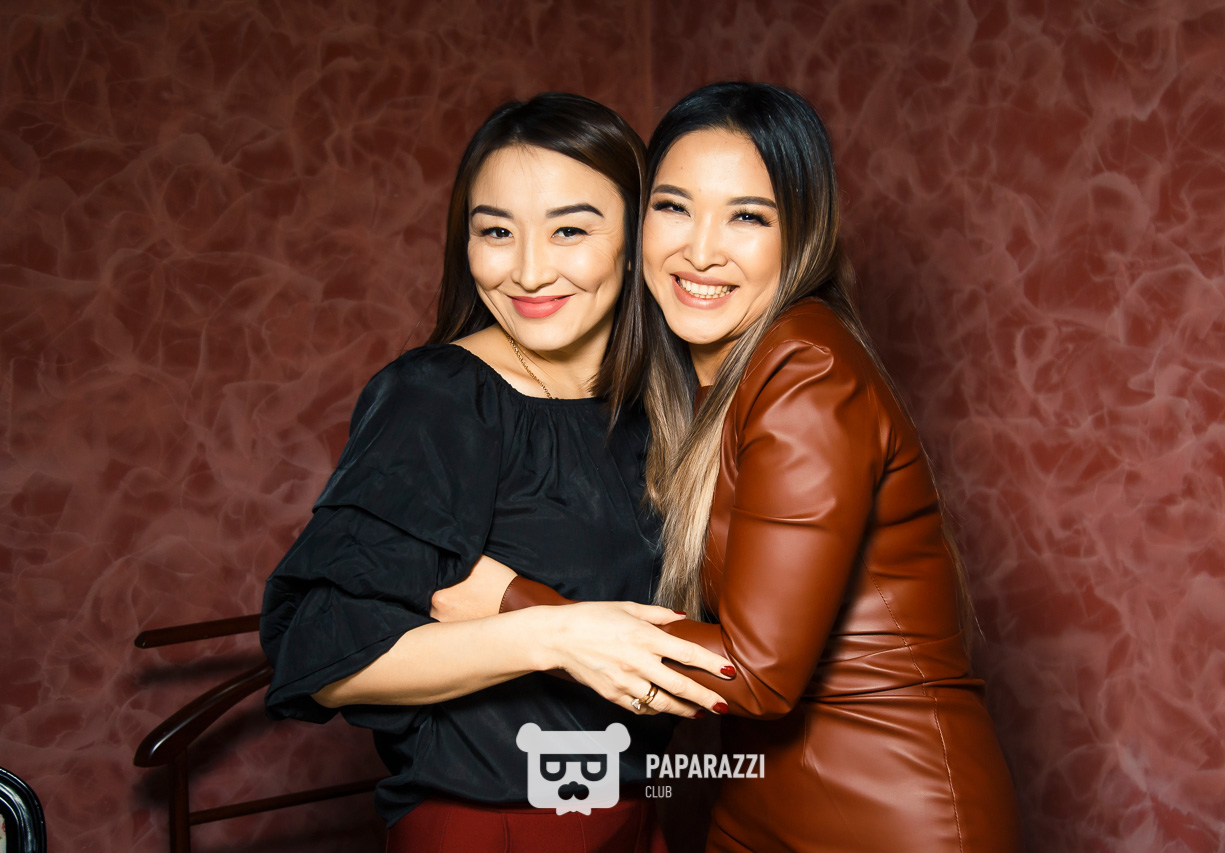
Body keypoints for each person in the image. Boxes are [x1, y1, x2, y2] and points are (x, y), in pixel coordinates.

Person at [449, 82, 1022, 852]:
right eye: (674, 207)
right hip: (758, 801)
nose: (700, 251)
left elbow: (757, 674)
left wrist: (512, 603)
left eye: (747, 216)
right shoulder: (703, 379)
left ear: (802, 234)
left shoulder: (807, 373)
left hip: (888, 816)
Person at [258, 92, 733, 853]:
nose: (529, 271)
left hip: (633, 812)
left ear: (635, 240)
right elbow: (321, 657)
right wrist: (552, 635)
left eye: (569, 229)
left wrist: (514, 600)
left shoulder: (664, 405)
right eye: (497, 232)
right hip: (494, 827)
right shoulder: (438, 397)